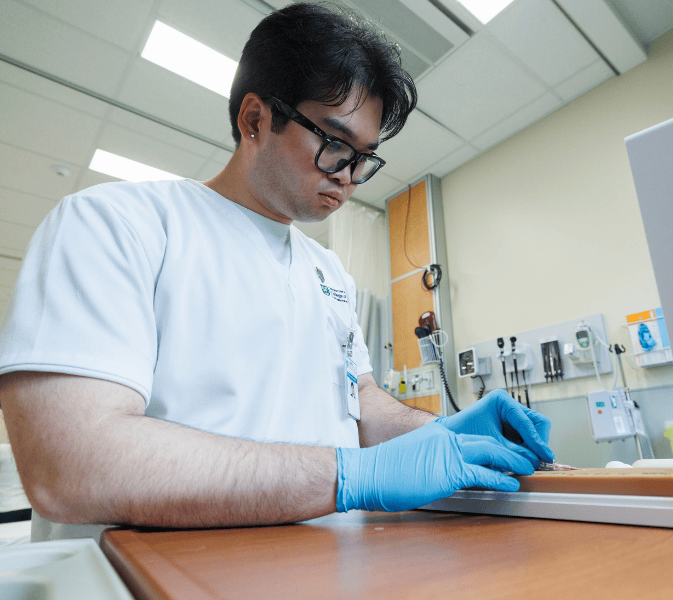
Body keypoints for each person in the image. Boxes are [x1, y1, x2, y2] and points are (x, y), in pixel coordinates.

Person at [0, 3, 554, 543]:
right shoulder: (118, 224)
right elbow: (69, 465)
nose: (351, 177)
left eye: (365, 158)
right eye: (335, 145)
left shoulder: (327, 269)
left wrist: (441, 434)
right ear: (255, 119)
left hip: (317, 561)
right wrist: (349, 476)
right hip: (148, 576)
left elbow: (358, 399)